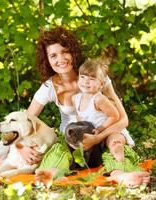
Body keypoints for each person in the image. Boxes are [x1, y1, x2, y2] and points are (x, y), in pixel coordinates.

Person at [19, 26, 149, 187]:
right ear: (47, 60)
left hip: (106, 133)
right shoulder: (49, 87)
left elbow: (123, 120)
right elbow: (26, 119)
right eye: (53, 55)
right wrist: (21, 146)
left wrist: (97, 138)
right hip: (73, 138)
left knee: (115, 148)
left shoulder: (95, 77)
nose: (60, 59)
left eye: (64, 51)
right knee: (59, 150)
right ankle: (50, 172)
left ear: (73, 52)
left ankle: (121, 175)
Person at [73, 59, 135, 162]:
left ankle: (117, 149)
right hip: (95, 134)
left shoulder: (99, 99)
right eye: (82, 77)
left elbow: (115, 116)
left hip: (110, 130)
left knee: (113, 139)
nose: (86, 82)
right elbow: (79, 118)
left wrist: (101, 128)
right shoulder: (76, 98)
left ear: (101, 85)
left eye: (92, 79)